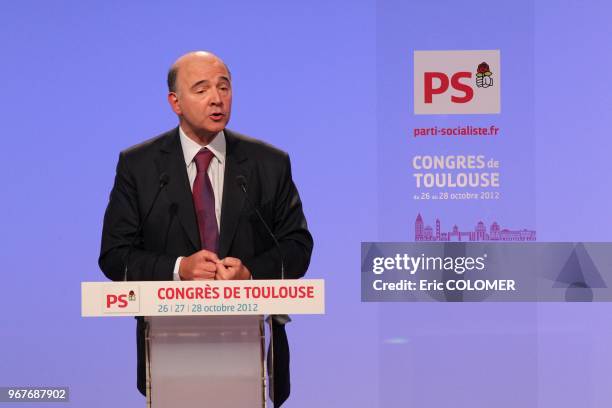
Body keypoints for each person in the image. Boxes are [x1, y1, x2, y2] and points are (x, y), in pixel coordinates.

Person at [98, 51, 313, 406]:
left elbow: (298, 246)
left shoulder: (269, 164)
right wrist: (179, 269)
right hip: (168, 351)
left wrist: (250, 274)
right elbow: (114, 255)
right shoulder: (138, 166)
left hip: (253, 352)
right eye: (201, 89)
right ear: (175, 102)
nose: (217, 98)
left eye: (224, 87)